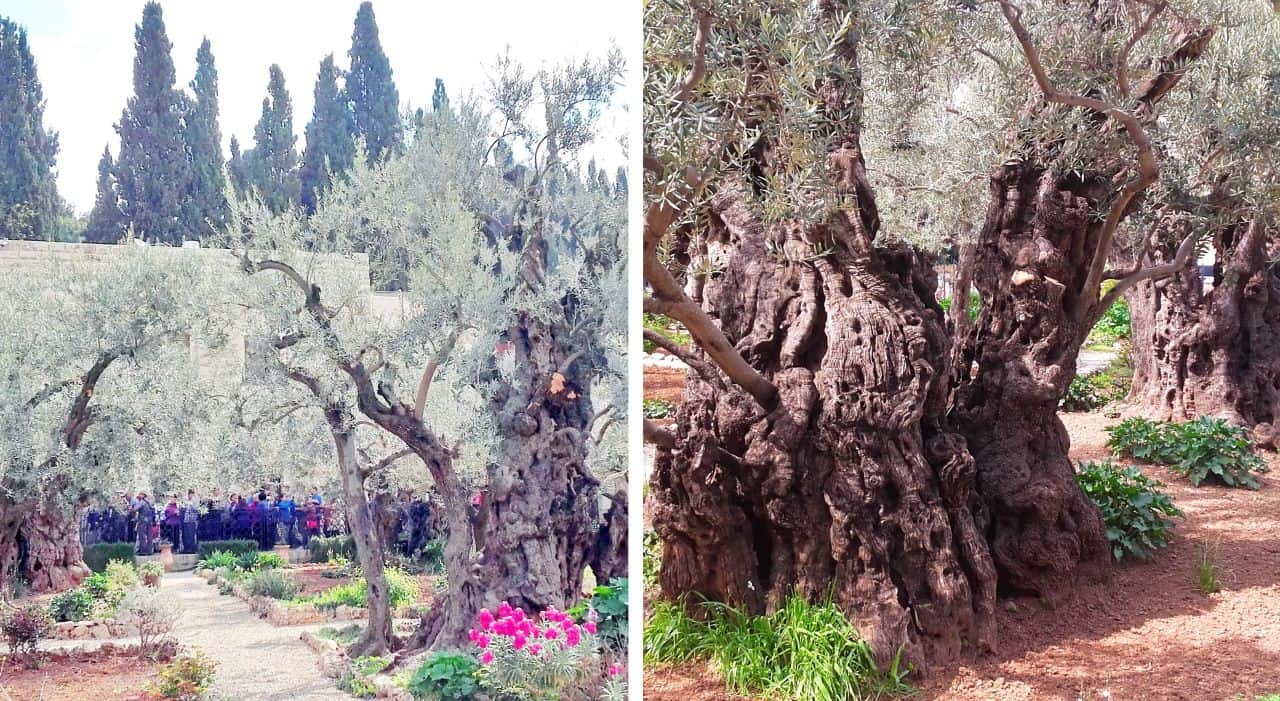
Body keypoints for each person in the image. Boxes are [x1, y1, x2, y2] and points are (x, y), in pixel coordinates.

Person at [181, 489, 200, 554]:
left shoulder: (196, 501)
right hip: (186, 520)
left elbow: (196, 509)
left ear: (192, 494)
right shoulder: (186, 501)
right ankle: (186, 548)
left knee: (191, 535)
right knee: (186, 535)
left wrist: (191, 504)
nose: (189, 495)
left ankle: (192, 549)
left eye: (190, 494)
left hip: (192, 520)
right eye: (188, 494)